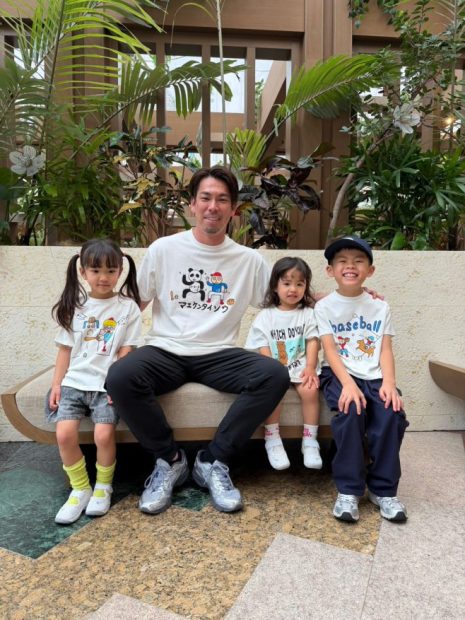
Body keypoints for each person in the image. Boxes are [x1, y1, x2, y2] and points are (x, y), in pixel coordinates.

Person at [106, 166, 290, 514]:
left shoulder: (248, 260)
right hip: (165, 349)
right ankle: (170, 460)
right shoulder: (163, 249)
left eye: (222, 200)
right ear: (192, 204)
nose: (212, 206)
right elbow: (133, 304)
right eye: (205, 198)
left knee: (273, 374)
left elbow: (284, 298)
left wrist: (338, 297)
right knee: (120, 376)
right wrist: (99, 337)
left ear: (233, 209)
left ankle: (213, 460)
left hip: (219, 354)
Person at [46, 238, 141, 524]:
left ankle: (103, 487)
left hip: (104, 386)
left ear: (120, 271)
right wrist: (57, 384)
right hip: (74, 384)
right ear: (83, 271)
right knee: (64, 435)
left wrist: (117, 384)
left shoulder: (128, 308)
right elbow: (64, 350)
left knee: (103, 436)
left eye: (111, 270)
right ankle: (80, 489)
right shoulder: (74, 307)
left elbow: (126, 350)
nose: (103, 277)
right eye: (96, 270)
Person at [314, 236, 409, 523]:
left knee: (392, 412)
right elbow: (330, 350)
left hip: (375, 375)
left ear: (370, 270)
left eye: (358, 261)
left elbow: (385, 348)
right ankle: (348, 490)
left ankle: (383, 490)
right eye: (342, 261)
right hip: (339, 373)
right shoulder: (324, 307)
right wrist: (348, 384)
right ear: (330, 270)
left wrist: (389, 383)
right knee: (351, 409)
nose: (350, 266)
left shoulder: (380, 306)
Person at [245, 257, 322, 471]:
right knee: (274, 394)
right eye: (287, 283)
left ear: (306, 287)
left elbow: (313, 341)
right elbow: (263, 347)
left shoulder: (308, 314)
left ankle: (310, 440)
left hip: (301, 367)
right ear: (275, 286)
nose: (293, 289)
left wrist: (310, 367)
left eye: (299, 283)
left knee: (310, 391)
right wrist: (274, 373)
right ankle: (272, 439)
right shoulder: (265, 316)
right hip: (275, 370)